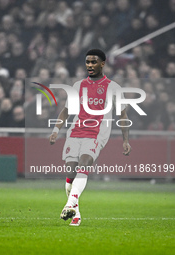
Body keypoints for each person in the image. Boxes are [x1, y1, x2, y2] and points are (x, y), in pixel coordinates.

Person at [49, 49, 131, 226]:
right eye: (87, 62)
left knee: (84, 163)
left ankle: (69, 204)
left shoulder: (113, 87)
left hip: (97, 132)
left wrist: (125, 140)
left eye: (94, 62)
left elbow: (123, 115)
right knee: (71, 173)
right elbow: (66, 110)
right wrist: (56, 129)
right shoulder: (78, 86)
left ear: (102, 63)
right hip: (75, 130)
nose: (90, 65)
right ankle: (75, 212)